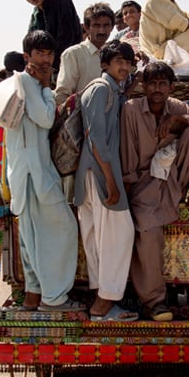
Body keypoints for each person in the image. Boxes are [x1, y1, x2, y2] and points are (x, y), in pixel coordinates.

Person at [120, 61, 189, 321]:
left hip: (172, 182)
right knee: (148, 233)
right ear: (144, 86)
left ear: (171, 87)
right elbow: (127, 156)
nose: (157, 88)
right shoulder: (131, 110)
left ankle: (176, 197)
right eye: (152, 83)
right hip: (142, 185)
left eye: (163, 83)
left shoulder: (176, 107)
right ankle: (155, 302)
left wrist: (181, 120)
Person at [5, 30, 84, 312]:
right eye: (40, 54)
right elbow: (45, 118)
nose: (46, 59)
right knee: (61, 229)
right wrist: (49, 91)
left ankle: (33, 294)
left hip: (24, 172)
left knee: (32, 237)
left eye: (49, 54)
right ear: (27, 57)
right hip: (34, 173)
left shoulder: (25, 84)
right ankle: (55, 298)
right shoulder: (28, 83)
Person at [75, 40, 138, 321]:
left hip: (90, 174)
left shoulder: (110, 89)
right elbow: (96, 139)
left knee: (98, 238)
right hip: (99, 174)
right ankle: (104, 302)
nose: (124, 67)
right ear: (105, 65)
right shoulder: (101, 90)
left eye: (128, 62)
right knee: (119, 234)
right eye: (119, 62)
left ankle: (102, 301)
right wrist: (111, 181)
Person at [14, 0, 83, 74]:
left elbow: (66, 37)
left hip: (68, 62)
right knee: (11, 58)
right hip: (45, 66)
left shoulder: (60, 0)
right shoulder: (36, 15)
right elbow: (30, 45)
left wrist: (50, 65)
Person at [54, 3, 115, 106]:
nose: (102, 30)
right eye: (96, 25)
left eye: (106, 25)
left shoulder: (114, 55)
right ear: (86, 27)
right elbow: (62, 96)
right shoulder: (73, 54)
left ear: (112, 27)